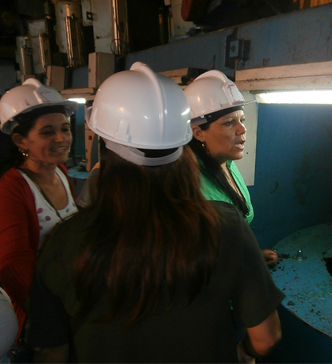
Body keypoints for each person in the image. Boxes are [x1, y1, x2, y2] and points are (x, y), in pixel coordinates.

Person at [26, 62, 284, 363]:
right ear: (187, 135)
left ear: (104, 142)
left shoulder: (64, 242)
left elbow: (51, 354)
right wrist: (242, 354)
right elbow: (267, 337)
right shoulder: (226, 225)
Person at [0, 79, 78, 343]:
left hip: (69, 297)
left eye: (65, 129)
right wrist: (52, 312)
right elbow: (11, 265)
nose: (61, 138)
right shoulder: (11, 188)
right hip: (40, 313)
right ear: (21, 140)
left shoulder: (62, 173)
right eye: (47, 132)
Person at [184, 70, 278, 265]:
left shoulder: (226, 163)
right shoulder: (189, 184)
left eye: (241, 120)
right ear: (199, 132)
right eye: (229, 123)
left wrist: (252, 254)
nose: (242, 129)